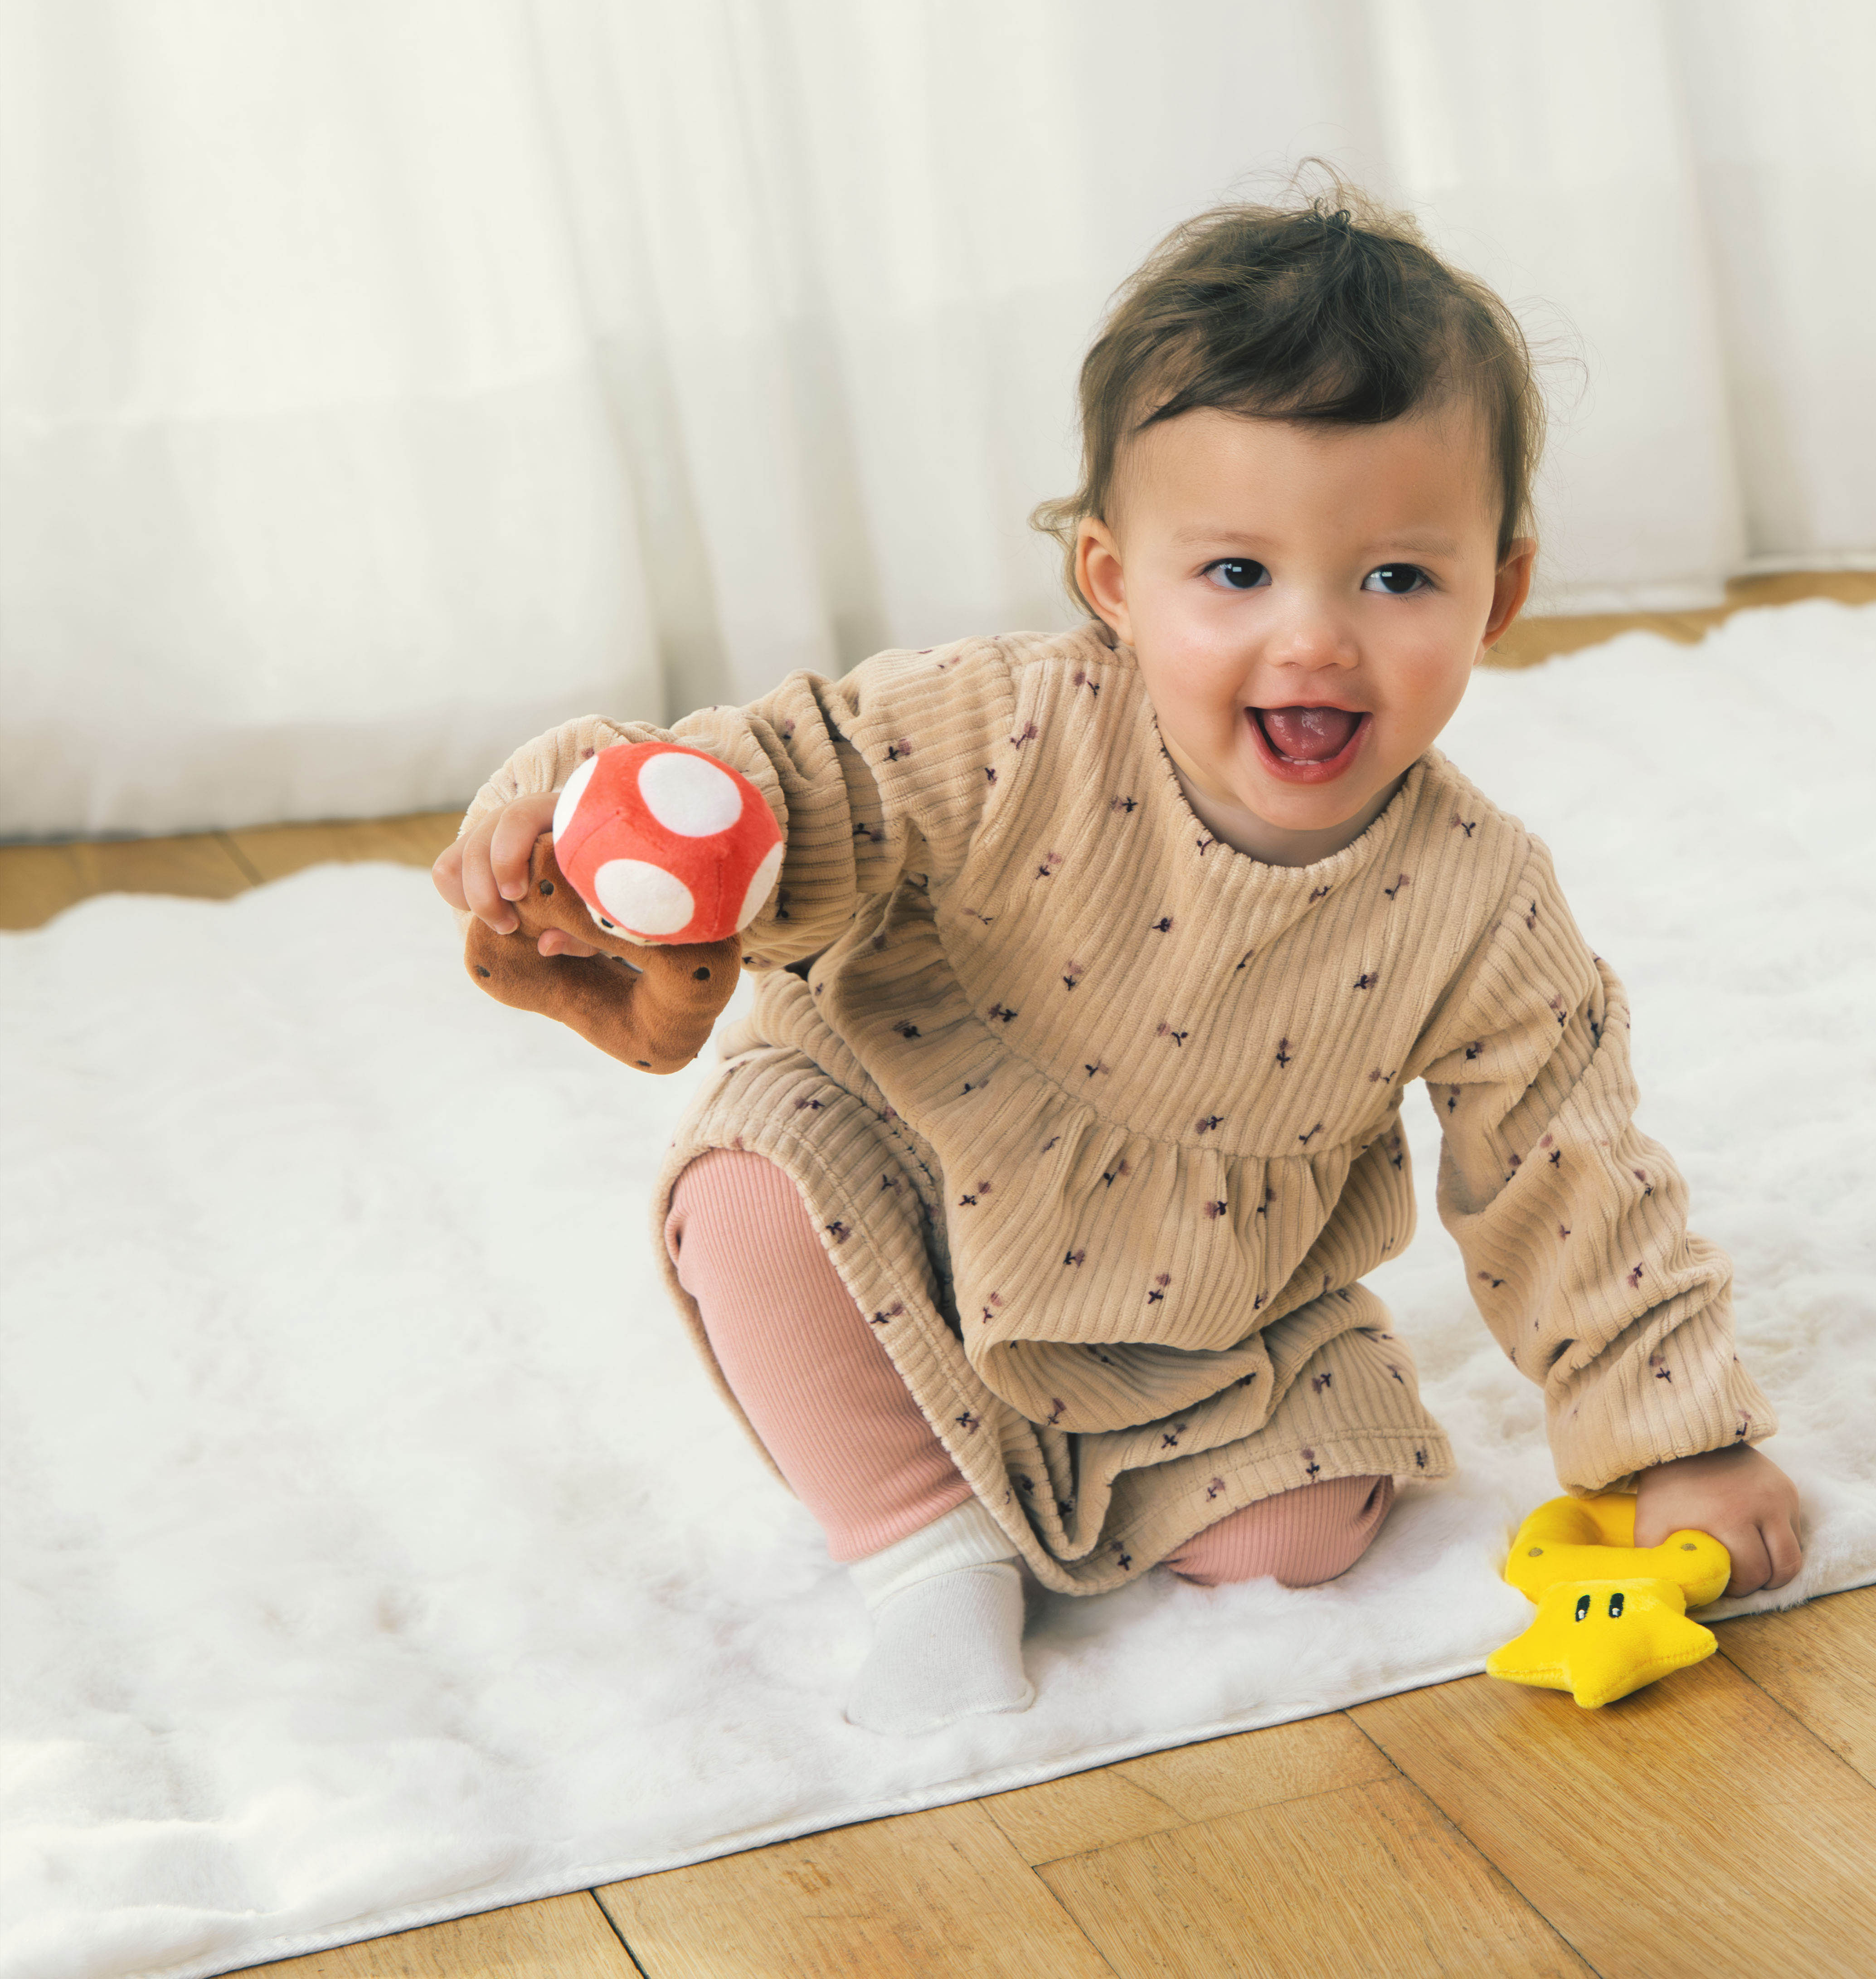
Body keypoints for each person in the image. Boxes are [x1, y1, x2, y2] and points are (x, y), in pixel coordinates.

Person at [432, 175, 1801, 1734]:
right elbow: (767, 782)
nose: (1315, 638)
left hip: (1195, 1298)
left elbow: (1570, 1171)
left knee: (1301, 1536)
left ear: (1502, 593)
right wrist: (588, 820)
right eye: (1238, 575)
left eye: (1397, 578)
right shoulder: (1000, 727)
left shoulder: (1479, 902)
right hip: (901, 1164)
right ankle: (923, 1544)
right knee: (746, 1195)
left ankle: (1088, 1458)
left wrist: (1675, 1438)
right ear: (1112, 584)